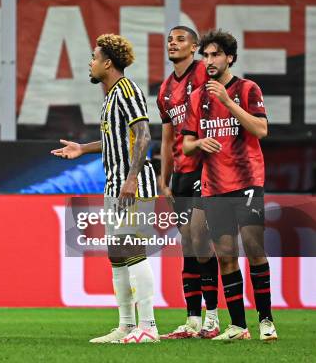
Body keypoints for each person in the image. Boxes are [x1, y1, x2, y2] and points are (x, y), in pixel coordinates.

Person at [52, 34, 159, 344]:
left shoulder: (127, 91)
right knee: (117, 254)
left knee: (132, 249)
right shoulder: (111, 96)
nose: (91, 63)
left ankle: (148, 326)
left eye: (94, 57)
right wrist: (82, 149)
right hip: (115, 183)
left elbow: (143, 135)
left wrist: (131, 178)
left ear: (108, 63)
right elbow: (117, 139)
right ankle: (126, 325)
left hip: (131, 184)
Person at [182, 29, 277, 341]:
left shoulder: (247, 89)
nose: (209, 61)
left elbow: (261, 129)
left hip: (248, 180)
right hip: (214, 185)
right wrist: (200, 143)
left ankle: (266, 320)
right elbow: (186, 146)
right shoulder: (196, 97)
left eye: (215, 55)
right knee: (224, 255)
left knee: (254, 248)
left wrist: (228, 101)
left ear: (230, 58)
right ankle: (238, 326)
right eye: (205, 55)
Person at [157, 26, 220, 339]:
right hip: (180, 173)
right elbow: (168, 136)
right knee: (187, 243)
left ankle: (213, 316)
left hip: (204, 170)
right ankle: (193, 319)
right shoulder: (165, 89)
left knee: (200, 238)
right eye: (170, 39)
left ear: (195, 47)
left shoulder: (204, 77)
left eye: (180, 39)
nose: (173, 43)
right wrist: (163, 177)